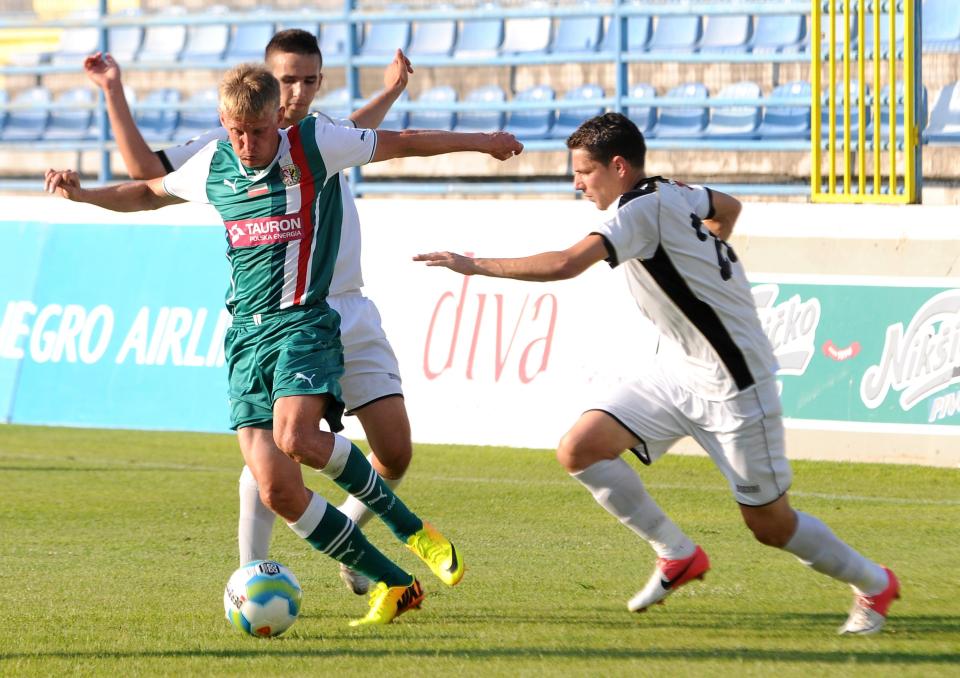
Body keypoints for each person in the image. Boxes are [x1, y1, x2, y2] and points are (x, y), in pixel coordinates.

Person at [46, 63, 523, 626]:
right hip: (245, 338)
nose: (247, 143)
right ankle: (395, 585)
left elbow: (402, 143)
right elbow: (148, 193)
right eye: (236, 130)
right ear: (223, 122)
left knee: (297, 438)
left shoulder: (314, 144)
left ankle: (411, 529)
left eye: (258, 130)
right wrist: (84, 196)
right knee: (276, 488)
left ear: (278, 116)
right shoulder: (213, 165)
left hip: (304, 323)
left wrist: (483, 142)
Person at [414, 112, 899, 636]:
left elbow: (565, 264)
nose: (577, 184)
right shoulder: (671, 191)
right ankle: (677, 554)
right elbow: (728, 207)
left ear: (618, 167)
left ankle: (874, 583)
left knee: (769, 525)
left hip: (735, 387)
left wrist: (474, 264)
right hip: (677, 370)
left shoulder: (637, 210)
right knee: (580, 448)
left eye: (584, 172)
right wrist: (710, 254)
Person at [84, 30, 419, 596]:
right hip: (284, 315)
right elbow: (144, 170)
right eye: (288, 80)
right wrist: (113, 90)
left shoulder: (322, 134)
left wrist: (389, 93)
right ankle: (251, 569)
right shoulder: (232, 143)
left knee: (395, 452)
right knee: (273, 444)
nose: (299, 92)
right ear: (264, 81)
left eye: (310, 80)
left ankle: (354, 550)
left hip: (348, 308)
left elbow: (373, 131)